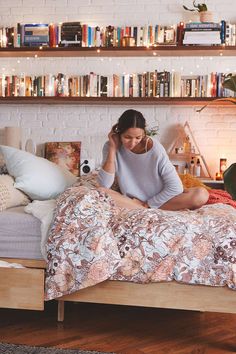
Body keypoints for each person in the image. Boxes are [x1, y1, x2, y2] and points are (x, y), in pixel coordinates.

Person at [97, 109, 209, 211]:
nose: (132, 143)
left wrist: (149, 204)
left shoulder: (155, 149)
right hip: (131, 200)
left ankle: (142, 209)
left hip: (160, 200)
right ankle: (141, 208)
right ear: (118, 133)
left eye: (138, 137)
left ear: (144, 133)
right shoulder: (110, 146)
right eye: (127, 137)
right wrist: (112, 149)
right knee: (101, 192)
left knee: (201, 194)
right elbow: (104, 184)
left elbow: (175, 187)